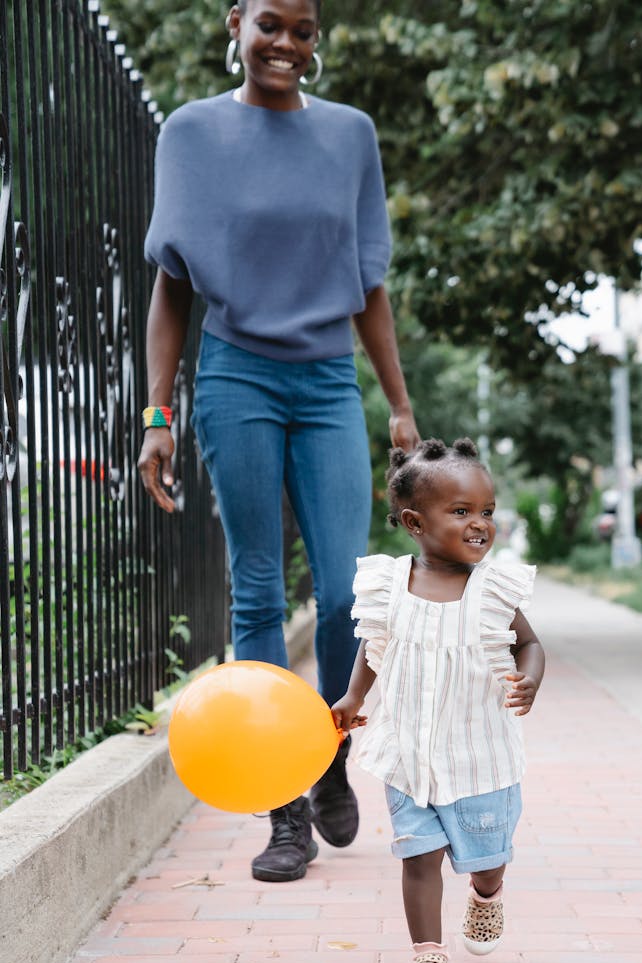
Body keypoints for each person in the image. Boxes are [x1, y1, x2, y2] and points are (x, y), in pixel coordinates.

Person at [137, 0, 419, 883]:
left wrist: (399, 405)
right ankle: (282, 805)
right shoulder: (190, 133)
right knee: (258, 591)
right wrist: (157, 415)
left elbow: (367, 280)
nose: (286, 44)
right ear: (235, 24)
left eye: (303, 30)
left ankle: (327, 756)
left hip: (330, 380)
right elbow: (172, 287)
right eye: (270, 25)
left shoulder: (351, 136)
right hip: (236, 377)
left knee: (343, 594)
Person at [331, 438, 545, 963]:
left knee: (486, 856)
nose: (479, 524)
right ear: (413, 522)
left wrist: (529, 679)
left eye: (487, 511)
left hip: (480, 756)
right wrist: (353, 697)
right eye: (461, 512)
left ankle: (487, 891)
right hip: (409, 753)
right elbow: (373, 647)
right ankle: (428, 959)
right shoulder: (388, 586)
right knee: (418, 856)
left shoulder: (494, 589)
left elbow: (529, 645)